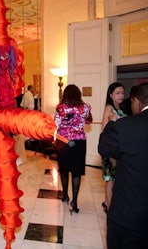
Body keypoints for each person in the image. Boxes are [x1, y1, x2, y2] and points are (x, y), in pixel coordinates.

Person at [98, 83, 148, 249]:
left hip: (130, 216)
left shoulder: (126, 126)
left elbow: (104, 147)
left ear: (135, 101)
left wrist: (112, 123)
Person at [54, 84, 92, 215]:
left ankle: (65, 195)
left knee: (64, 170)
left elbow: (56, 124)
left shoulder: (60, 108)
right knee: (77, 172)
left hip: (63, 141)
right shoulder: (86, 107)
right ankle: (74, 200)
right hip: (79, 142)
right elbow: (88, 121)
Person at [101, 82, 126, 214]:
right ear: (111, 95)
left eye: (122, 93)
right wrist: (113, 121)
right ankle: (110, 208)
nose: (121, 95)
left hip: (119, 147)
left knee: (115, 178)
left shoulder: (121, 108)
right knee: (110, 179)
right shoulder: (109, 108)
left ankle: (107, 202)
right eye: (117, 93)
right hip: (111, 147)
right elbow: (104, 129)